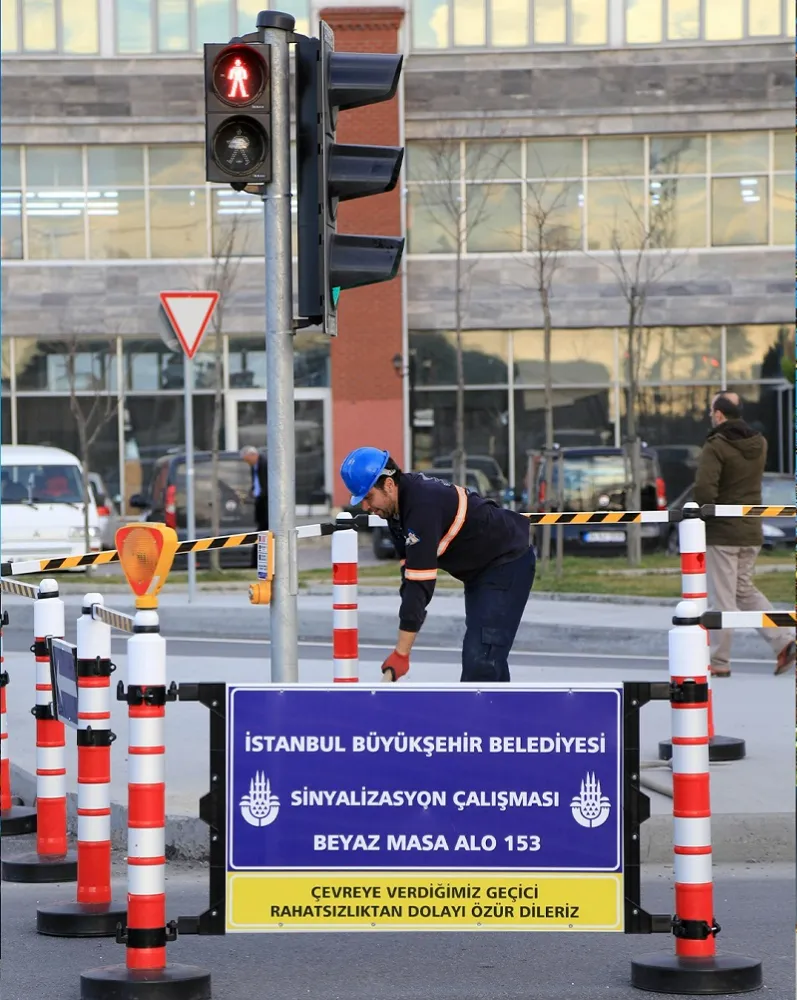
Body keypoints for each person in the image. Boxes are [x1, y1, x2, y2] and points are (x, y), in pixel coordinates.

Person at [340, 447, 536, 683]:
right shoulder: (395, 514)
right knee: (487, 656)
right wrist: (403, 645)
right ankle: (500, 717)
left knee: (482, 659)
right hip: (479, 573)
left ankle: (479, 719)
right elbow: (410, 578)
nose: (365, 507)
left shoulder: (422, 505)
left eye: (368, 497)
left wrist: (401, 654)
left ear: (389, 485)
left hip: (507, 563)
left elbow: (420, 585)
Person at [693, 391, 795, 677]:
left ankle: (719, 662)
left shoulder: (716, 444)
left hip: (723, 533)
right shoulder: (759, 442)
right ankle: (784, 642)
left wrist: (701, 513)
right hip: (751, 529)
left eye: (712, 410)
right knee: (744, 590)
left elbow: (704, 490)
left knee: (723, 600)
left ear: (719, 415)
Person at [241, 446, 268, 568]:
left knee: (263, 531)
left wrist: (261, 494)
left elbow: (265, 484)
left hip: (266, 502)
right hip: (260, 501)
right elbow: (256, 483)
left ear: (253, 455)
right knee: (261, 531)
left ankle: (256, 562)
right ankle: (256, 561)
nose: (247, 463)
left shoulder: (265, 464)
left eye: (247, 460)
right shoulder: (254, 467)